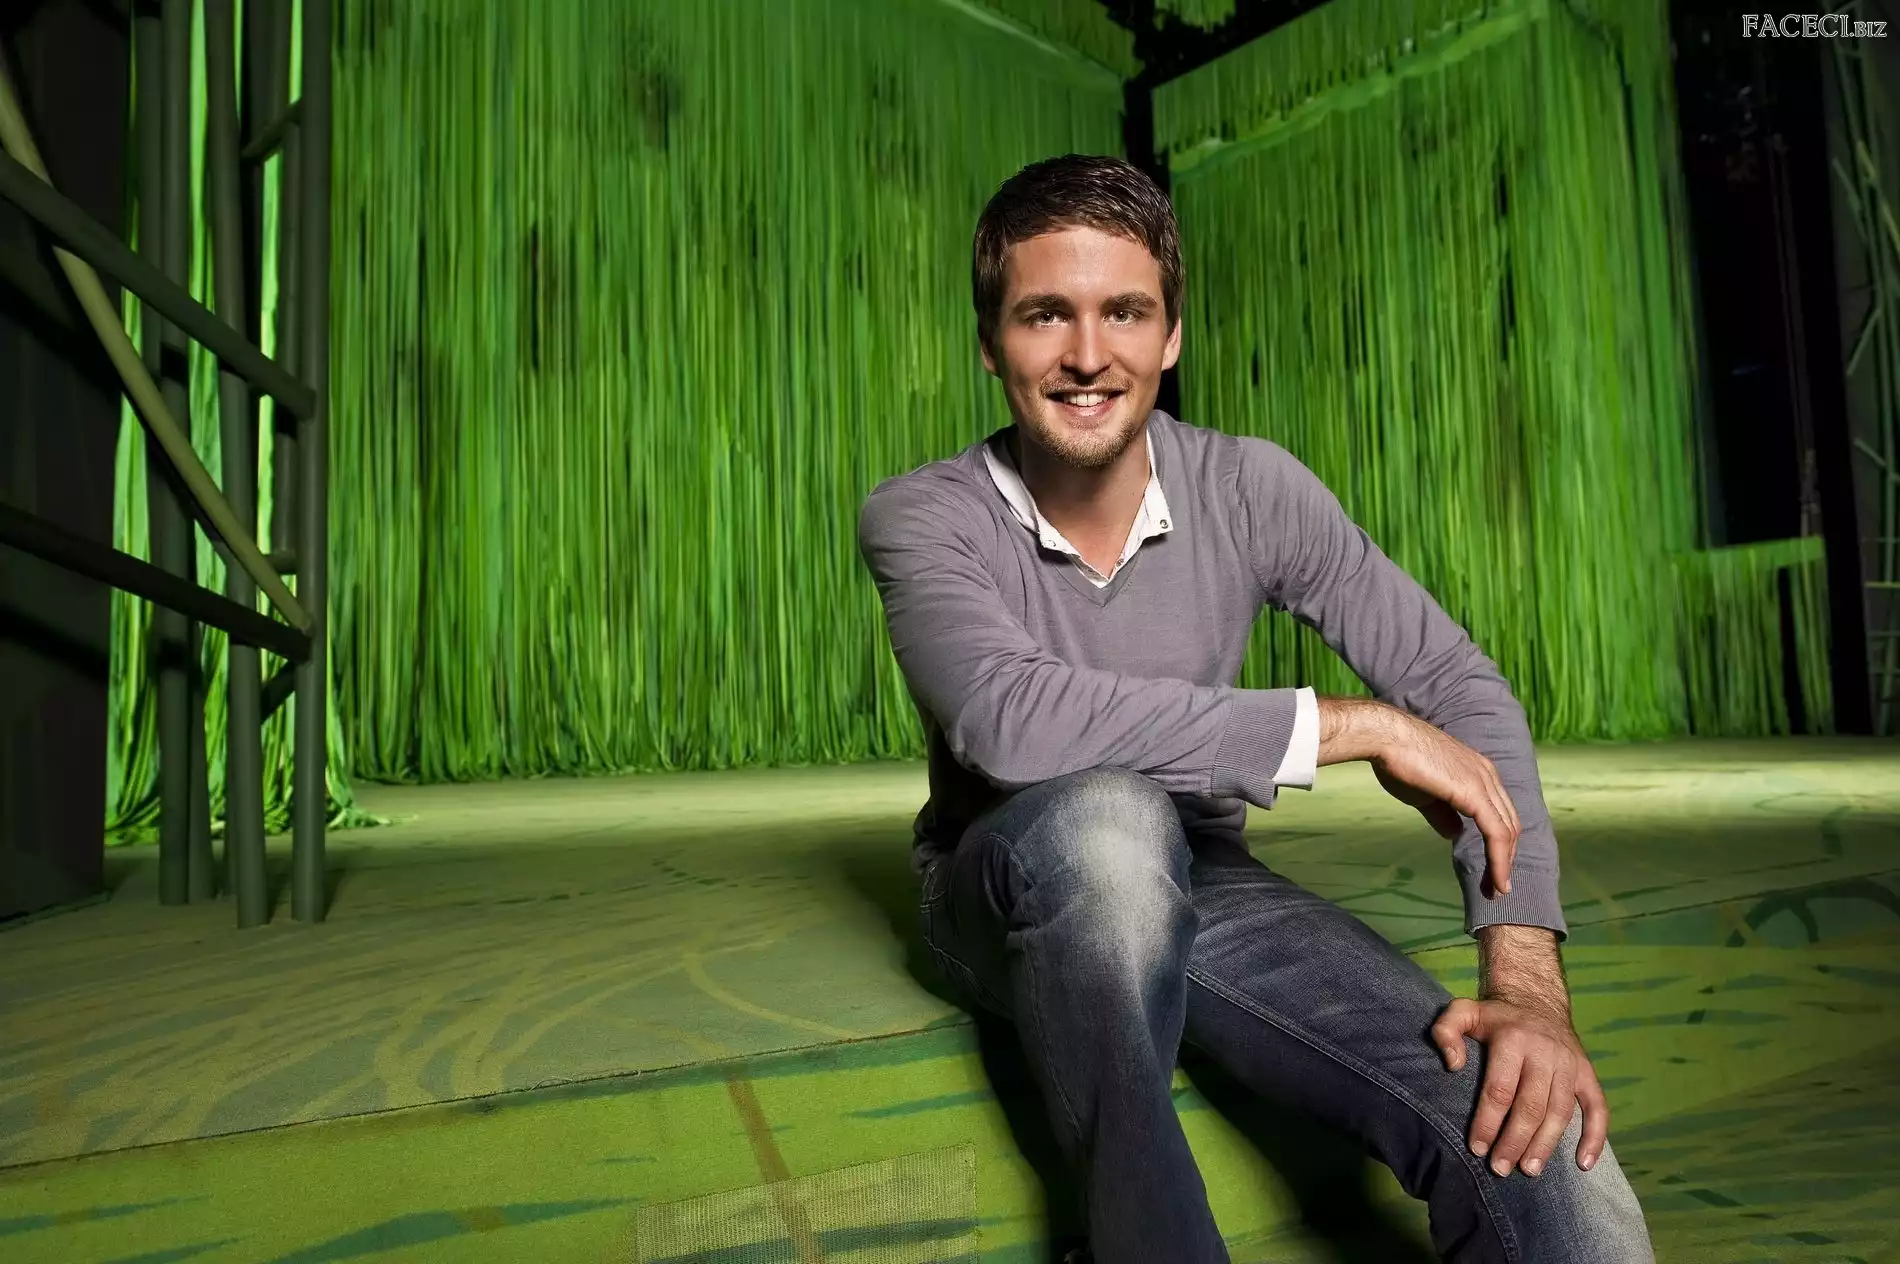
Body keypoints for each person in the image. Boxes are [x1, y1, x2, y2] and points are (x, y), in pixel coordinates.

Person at [855, 154, 1654, 1263]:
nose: (1087, 354)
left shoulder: (1247, 486)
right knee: (1107, 822)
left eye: (1125, 312)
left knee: (1544, 1143)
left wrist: (1522, 978)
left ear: (1172, 335)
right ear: (991, 341)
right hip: (1002, 885)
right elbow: (1009, 719)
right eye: (1045, 315)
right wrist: (1350, 727)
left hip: (1208, 879)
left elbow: (1456, 684)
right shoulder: (922, 513)